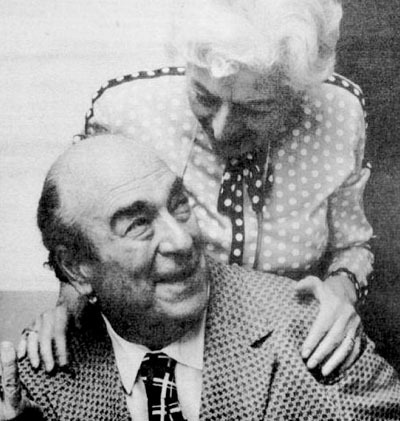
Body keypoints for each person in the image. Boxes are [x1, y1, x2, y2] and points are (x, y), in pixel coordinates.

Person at [20, 0, 372, 377]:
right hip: (157, 347)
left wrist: (340, 292)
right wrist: (70, 304)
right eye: (204, 97)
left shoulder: (339, 113)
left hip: (287, 349)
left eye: (255, 109)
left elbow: (353, 245)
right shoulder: (127, 110)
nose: (222, 129)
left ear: (297, 92)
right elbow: (87, 235)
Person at [1, 135, 399, 420]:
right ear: (77, 268)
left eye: (179, 204)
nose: (182, 240)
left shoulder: (311, 330)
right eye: (138, 225)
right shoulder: (37, 385)